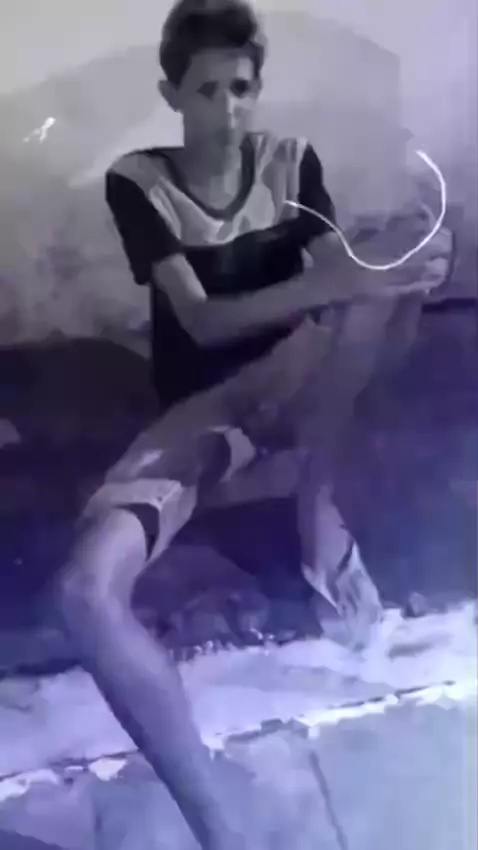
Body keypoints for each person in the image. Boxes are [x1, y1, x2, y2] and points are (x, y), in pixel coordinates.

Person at [55, 1, 449, 847]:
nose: (227, 111)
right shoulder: (140, 180)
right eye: (206, 91)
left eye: (241, 88)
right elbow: (203, 322)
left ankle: (316, 507)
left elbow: (345, 275)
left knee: (393, 274)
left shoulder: (289, 161)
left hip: (299, 379)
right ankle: (221, 829)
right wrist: (342, 286)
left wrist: (404, 269)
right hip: (209, 407)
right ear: (172, 94)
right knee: (85, 593)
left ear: (257, 89)